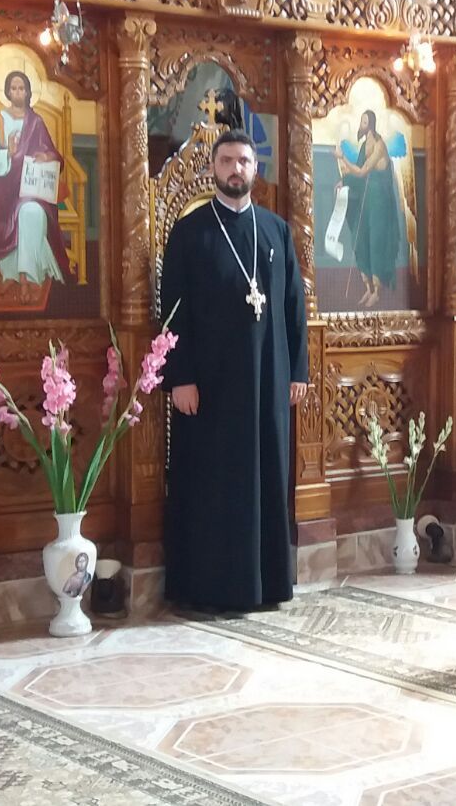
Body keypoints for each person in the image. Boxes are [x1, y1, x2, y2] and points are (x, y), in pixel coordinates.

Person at [160, 129, 308, 613]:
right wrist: (180, 376)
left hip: (269, 382)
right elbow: (173, 311)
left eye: (243, 161)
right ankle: (211, 588)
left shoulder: (276, 230)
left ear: (254, 168)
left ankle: (268, 584)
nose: (235, 169)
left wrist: (298, 370)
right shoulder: (191, 232)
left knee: (267, 479)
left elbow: (294, 305)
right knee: (215, 483)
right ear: (214, 168)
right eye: (226, 161)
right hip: (210, 387)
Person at [0, 70, 69, 287]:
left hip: (30, 188)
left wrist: (46, 156)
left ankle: (28, 276)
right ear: (8, 92)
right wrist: (6, 152)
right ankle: (11, 275)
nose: (17, 92)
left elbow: (54, 155)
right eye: (14, 88)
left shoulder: (36, 122)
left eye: (21, 88)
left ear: (27, 92)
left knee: (31, 212)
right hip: (3, 188)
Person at [335, 110, 403, 308]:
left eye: (365, 122)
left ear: (371, 124)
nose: (361, 125)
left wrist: (342, 158)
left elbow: (362, 171)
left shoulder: (379, 146)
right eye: (361, 121)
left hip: (379, 202)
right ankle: (368, 288)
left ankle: (377, 291)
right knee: (360, 238)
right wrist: (344, 181)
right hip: (367, 200)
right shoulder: (365, 145)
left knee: (376, 242)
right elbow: (357, 172)